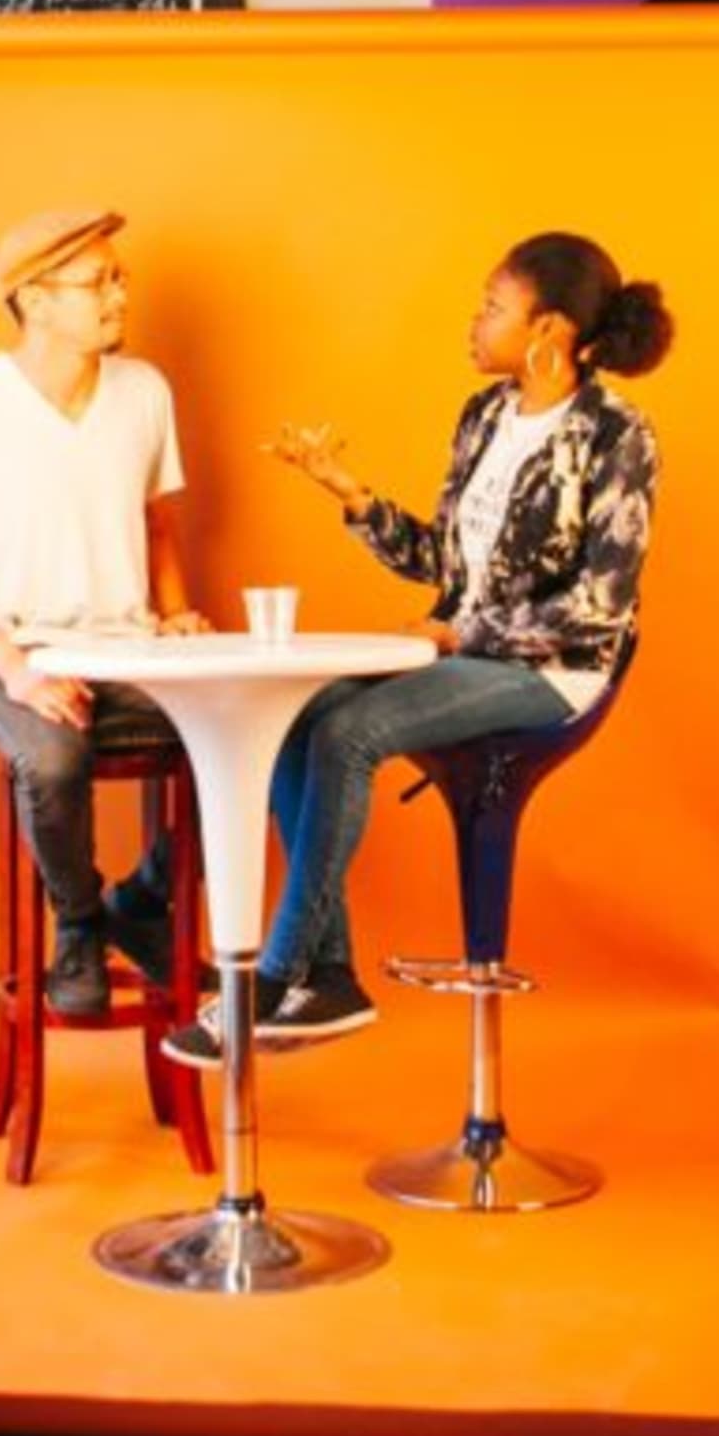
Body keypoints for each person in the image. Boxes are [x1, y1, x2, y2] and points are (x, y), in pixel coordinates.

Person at [175, 232, 669, 1060]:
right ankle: (330, 976)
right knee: (305, 713)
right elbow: (446, 561)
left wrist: (461, 631)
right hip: (467, 660)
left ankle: (276, 972)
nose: (474, 322)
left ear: (547, 328)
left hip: (557, 673)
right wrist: (351, 492)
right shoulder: (484, 416)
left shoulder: (618, 434)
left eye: (491, 306)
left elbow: (599, 608)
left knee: (350, 729)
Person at [0, 207, 210, 1022]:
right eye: (99, 281)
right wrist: (16, 667)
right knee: (55, 758)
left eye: (120, 277)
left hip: (131, 651)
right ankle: (78, 921)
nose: (119, 294)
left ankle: (139, 902)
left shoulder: (144, 391)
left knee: (254, 733)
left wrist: (174, 613)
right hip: (16, 648)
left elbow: (157, 520)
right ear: (35, 301)